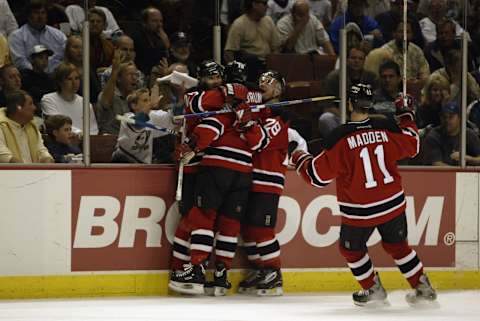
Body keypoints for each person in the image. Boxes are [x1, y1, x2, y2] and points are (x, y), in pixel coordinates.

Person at [291, 83, 437, 306]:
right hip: (392, 204)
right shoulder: (386, 127)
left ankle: (373, 289)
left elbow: (316, 177)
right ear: (370, 104)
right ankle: (423, 287)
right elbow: (413, 144)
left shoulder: (340, 138)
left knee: (351, 250)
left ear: (349, 104)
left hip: (360, 212)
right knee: (398, 246)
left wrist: (297, 155)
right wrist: (406, 114)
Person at [169, 61, 270, 296]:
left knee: (203, 217)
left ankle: (196, 269)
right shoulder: (245, 107)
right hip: (243, 170)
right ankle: (221, 276)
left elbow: (211, 128)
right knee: (228, 223)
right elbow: (259, 142)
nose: (215, 82)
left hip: (216, 166)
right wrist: (245, 119)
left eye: (219, 78)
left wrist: (191, 146)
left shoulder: (234, 106)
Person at [238, 70, 307, 296]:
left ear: (279, 89)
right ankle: (261, 269)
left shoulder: (279, 118)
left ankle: (274, 273)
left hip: (267, 179)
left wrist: (250, 119)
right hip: (250, 177)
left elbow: (261, 142)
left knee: (262, 228)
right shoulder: (262, 113)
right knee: (247, 229)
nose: (262, 85)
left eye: (269, 82)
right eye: (261, 82)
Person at [112, 88, 176, 164]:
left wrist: (180, 98)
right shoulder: (126, 118)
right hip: (121, 163)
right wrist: (151, 105)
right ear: (134, 105)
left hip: (143, 167)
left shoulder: (152, 115)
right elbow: (137, 123)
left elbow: (173, 118)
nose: (149, 103)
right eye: (145, 101)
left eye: (149, 100)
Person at [224, 0, 281, 81]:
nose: (267, 7)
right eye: (264, 3)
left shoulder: (268, 21)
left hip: (267, 65)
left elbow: (276, 47)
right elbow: (229, 52)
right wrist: (235, 73)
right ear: (254, 4)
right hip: (249, 67)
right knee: (252, 60)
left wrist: (274, 66)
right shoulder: (239, 24)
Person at [8, 0, 67, 73]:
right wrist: (38, 74)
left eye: (43, 13)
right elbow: (20, 61)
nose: (40, 16)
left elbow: (63, 57)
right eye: (36, 13)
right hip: (30, 77)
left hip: (56, 76)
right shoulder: (16, 36)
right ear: (28, 16)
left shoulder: (59, 35)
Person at [41, 62, 98, 135]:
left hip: (84, 143)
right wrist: (80, 134)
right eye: (69, 79)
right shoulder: (48, 100)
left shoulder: (85, 103)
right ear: (60, 82)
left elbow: (93, 130)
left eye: (77, 78)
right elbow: (58, 125)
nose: (74, 82)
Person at [0, 90, 53, 163]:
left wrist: (47, 159)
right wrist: (24, 170)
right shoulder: (1, 126)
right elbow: (3, 156)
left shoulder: (32, 126)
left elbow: (41, 151)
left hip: (31, 172)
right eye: (30, 104)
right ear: (18, 107)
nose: (34, 108)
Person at [422, 100, 480, 166]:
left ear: (460, 118)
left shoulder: (469, 134)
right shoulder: (434, 136)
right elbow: (437, 165)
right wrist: (459, 172)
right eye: (444, 117)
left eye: (451, 117)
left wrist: (466, 158)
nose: (447, 120)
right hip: (439, 175)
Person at [132, 7, 170, 76]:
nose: (159, 25)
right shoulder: (136, 38)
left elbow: (165, 59)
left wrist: (166, 44)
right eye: (154, 21)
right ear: (144, 22)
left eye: (161, 21)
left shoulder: (160, 37)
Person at [21, 45, 56, 113]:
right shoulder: (25, 76)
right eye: (41, 58)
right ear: (32, 59)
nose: (44, 61)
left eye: (46, 58)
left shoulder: (49, 78)